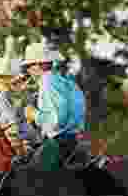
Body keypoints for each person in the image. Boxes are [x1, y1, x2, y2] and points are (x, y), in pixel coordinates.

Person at [16, 42, 86, 171]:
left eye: (29, 66)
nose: (28, 70)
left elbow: (56, 120)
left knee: (27, 177)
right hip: (73, 140)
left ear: (39, 64)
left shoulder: (47, 81)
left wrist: (34, 114)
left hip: (59, 143)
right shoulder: (64, 80)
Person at [0, 54, 34, 188]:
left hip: (13, 145)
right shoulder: (13, 96)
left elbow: (13, 122)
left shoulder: (3, 97)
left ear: (1, 79)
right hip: (24, 139)